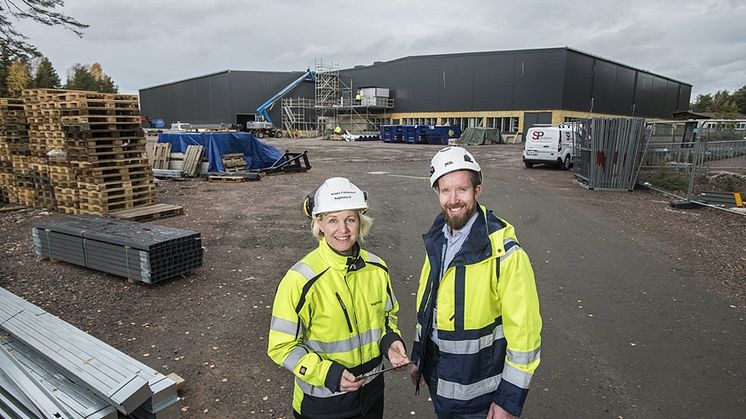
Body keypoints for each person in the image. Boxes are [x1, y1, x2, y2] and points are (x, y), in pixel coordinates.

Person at [409, 147, 542, 418]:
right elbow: (428, 308)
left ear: (477, 191)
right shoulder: (437, 240)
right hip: (441, 382)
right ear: (437, 193)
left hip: (480, 396)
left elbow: (525, 336)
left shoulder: (504, 253)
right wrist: (419, 358)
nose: (454, 199)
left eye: (462, 190)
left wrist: (509, 400)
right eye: (445, 190)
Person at [268, 177, 409, 419]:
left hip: (372, 393)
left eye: (350, 219)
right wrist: (327, 374)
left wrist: (390, 342)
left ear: (360, 222)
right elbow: (281, 346)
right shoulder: (301, 279)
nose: (342, 230)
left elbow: (387, 316)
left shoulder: (377, 268)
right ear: (319, 224)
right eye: (333, 220)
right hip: (323, 403)